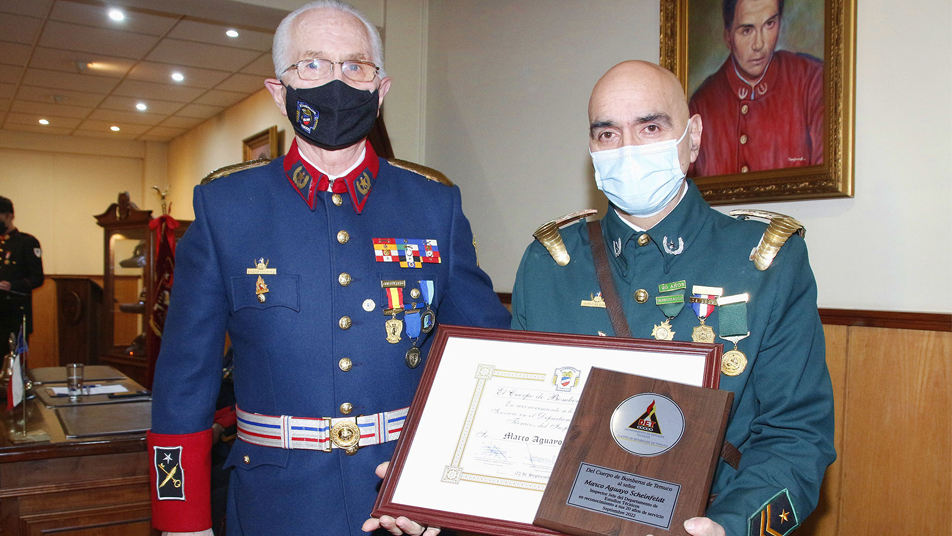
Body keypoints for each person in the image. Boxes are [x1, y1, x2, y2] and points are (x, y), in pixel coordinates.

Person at [147, 2, 510, 535]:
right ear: (279, 90)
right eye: (313, 65)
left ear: (380, 90)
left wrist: (442, 484)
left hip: (402, 503)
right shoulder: (226, 208)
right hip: (275, 503)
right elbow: (183, 380)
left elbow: (485, 356)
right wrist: (182, 521)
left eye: (356, 67)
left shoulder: (433, 204)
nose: (337, 82)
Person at [511, 61, 834, 536]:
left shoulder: (766, 262)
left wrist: (732, 527)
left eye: (650, 127)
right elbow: (518, 418)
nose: (627, 150)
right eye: (607, 135)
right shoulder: (550, 264)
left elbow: (796, 435)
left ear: (694, 137)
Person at [688, 0, 824, 177]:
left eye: (769, 24)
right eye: (747, 30)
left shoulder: (811, 80)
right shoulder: (703, 104)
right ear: (728, 36)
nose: (759, 44)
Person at [0, 196, 43, 348]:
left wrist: (12, 285)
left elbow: (37, 278)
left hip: (14, 315)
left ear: (9, 216)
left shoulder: (26, 242)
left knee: (13, 364)